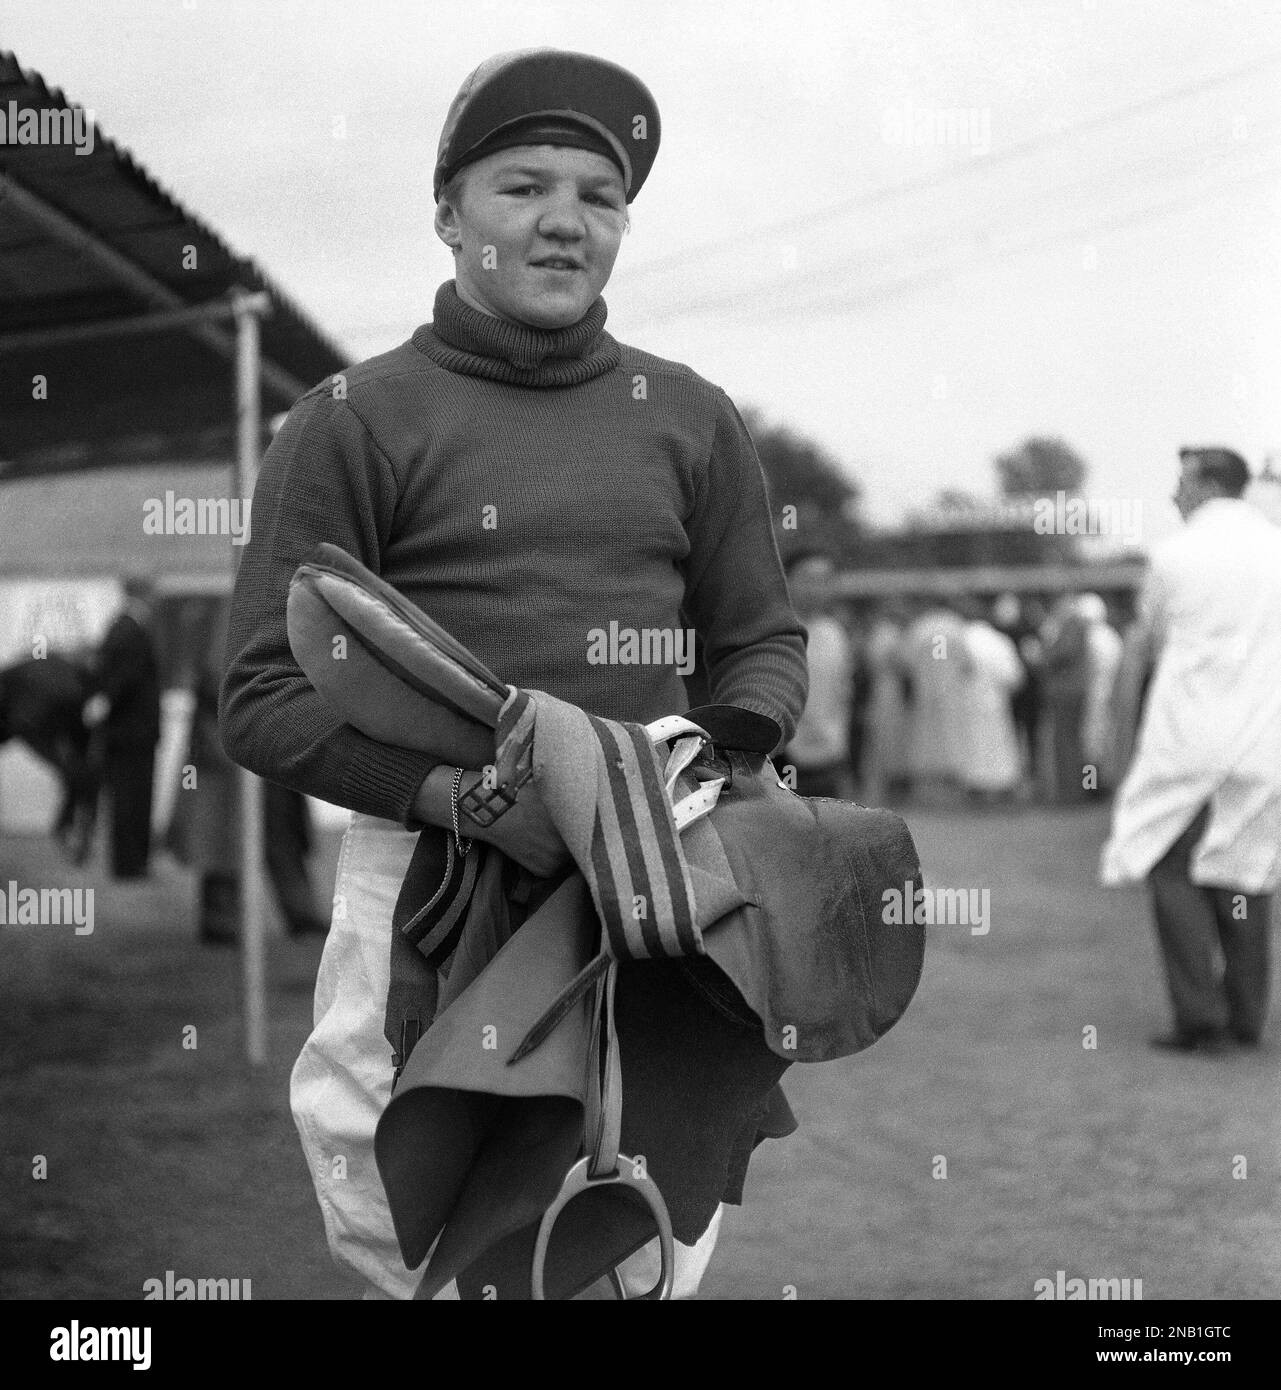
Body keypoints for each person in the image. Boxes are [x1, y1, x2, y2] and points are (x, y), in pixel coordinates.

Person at [220, 49, 807, 1299]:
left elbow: (762, 639)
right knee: (404, 1218)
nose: (564, 221)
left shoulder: (690, 414)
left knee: (642, 1225)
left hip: (652, 882)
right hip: (429, 880)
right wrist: (448, 792)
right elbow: (261, 695)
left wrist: (713, 755)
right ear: (448, 213)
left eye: (599, 195)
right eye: (522, 185)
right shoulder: (348, 418)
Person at [1101, 448, 1281, 1052]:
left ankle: (1200, 1017)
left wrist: (1116, 745)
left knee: (1173, 871)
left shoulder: (1173, 554)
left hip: (1190, 741)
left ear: (1208, 485)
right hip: (1264, 744)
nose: (1174, 494)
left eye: (1181, 481)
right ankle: (1247, 1016)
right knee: (1245, 876)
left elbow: (1142, 650)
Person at [90, 576, 162, 879]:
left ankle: (133, 862)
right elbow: (121, 680)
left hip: (131, 734)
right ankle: (129, 864)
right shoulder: (128, 631)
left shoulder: (124, 629)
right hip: (131, 735)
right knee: (130, 800)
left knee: (133, 800)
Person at [781, 552, 853, 799]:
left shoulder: (835, 633)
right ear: (786, 580)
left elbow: (842, 694)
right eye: (808, 579)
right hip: (782, 755)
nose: (817, 588)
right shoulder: (776, 631)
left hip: (828, 754)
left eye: (824, 580)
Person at [901, 600, 968, 800]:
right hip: (953, 694)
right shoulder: (954, 625)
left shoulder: (921, 626)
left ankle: (928, 786)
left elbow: (905, 660)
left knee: (927, 737)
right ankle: (951, 783)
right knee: (952, 736)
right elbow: (967, 661)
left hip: (925, 693)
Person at [956, 605, 1024, 803]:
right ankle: (1000, 786)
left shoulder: (961, 638)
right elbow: (1013, 676)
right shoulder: (999, 641)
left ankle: (974, 787)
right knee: (997, 744)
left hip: (967, 702)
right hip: (995, 701)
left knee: (972, 744)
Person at [1076, 592, 1122, 793]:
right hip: (1113, 695)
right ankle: (1105, 783)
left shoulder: (1091, 638)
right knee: (1107, 744)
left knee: (1091, 747)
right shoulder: (1111, 636)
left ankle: (1091, 786)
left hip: (1095, 696)